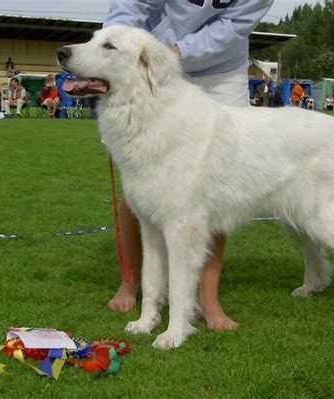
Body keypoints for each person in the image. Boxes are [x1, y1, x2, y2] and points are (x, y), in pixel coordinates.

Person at [103, 0, 274, 331]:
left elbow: (235, 23)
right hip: (151, 57)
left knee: (213, 183)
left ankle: (208, 299)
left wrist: (180, 51)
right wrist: (118, 39)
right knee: (139, 182)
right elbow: (133, 3)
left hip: (219, 68)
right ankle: (130, 281)